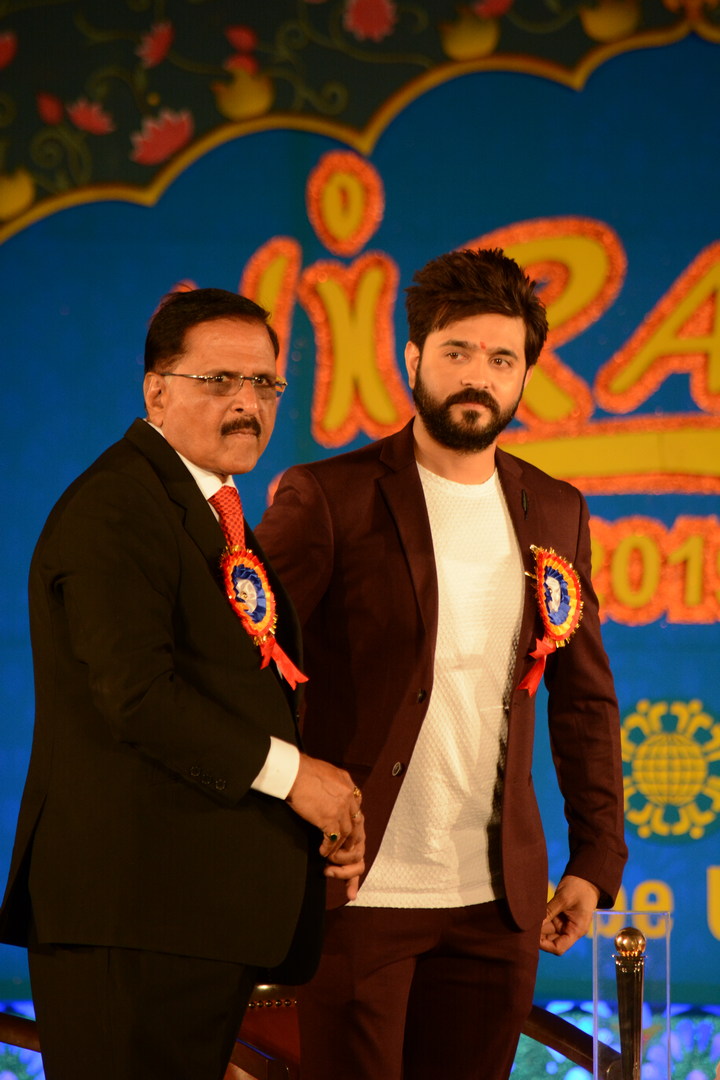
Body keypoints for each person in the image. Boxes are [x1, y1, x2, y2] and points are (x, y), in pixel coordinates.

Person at [256, 249, 627, 1080]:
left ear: (524, 376)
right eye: (457, 352)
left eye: (501, 360)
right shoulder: (328, 497)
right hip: (359, 895)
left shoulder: (555, 509)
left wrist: (594, 859)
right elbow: (244, 665)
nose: (478, 376)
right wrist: (290, 792)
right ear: (414, 357)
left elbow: (583, 701)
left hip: (497, 907)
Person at [0, 288, 365, 1080]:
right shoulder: (117, 505)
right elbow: (137, 695)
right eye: (219, 381)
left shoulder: (211, 510)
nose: (247, 405)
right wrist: (296, 777)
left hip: (193, 918)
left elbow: (230, 692)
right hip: (131, 918)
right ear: (156, 391)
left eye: (264, 384)